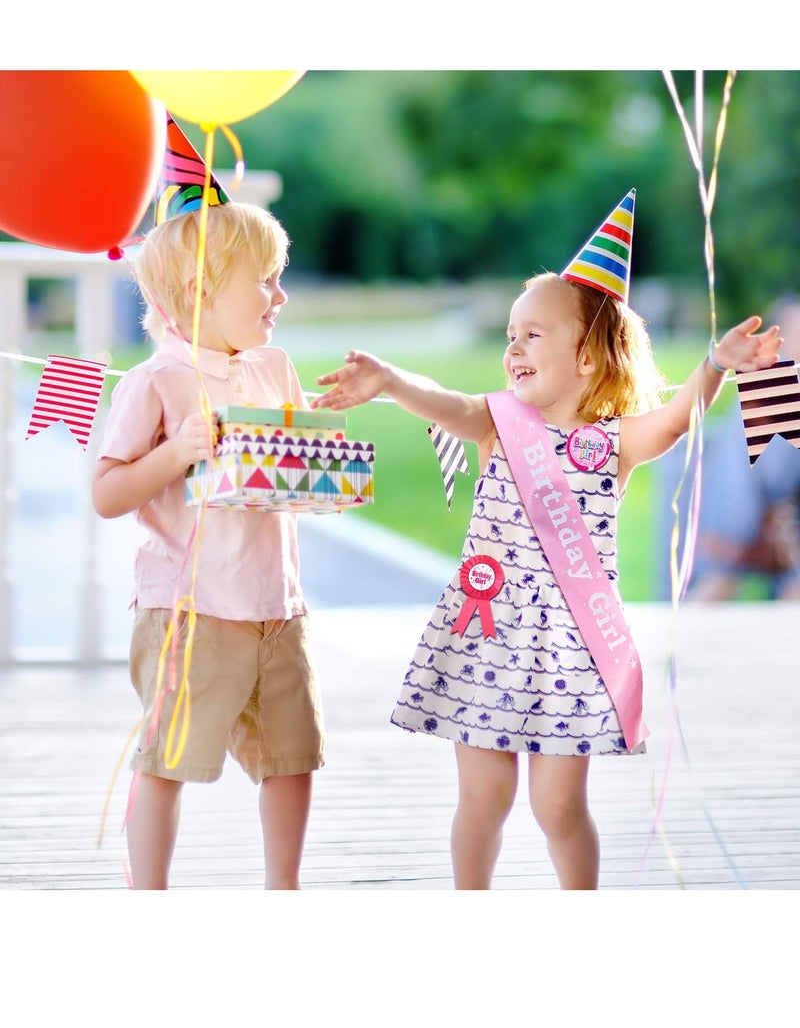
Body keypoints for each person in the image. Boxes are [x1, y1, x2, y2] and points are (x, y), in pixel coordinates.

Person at [313, 190, 781, 890]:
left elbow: (681, 415)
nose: (512, 347)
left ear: (588, 357)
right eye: (510, 333)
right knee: (485, 797)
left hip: (573, 643)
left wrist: (716, 361)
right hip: (489, 632)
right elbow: (445, 400)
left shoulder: (613, 443)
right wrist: (388, 378)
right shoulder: (497, 421)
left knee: (558, 805)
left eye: (533, 334)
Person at [91, 199, 325, 890]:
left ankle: (284, 886)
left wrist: (320, 442)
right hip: (189, 607)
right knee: (168, 756)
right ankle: (149, 889)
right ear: (199, 292)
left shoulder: (272, 365)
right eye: (265, 280)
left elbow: (294, 464)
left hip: (275, 602)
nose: (279, 295)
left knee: (292, 756)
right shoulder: (156, 380)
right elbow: (107, 494)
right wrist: (176, 454)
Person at [686, 295, 800, 601]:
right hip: (766, 519)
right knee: (769, 395)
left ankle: (726, 553)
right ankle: (729, 553)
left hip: (773, 526)